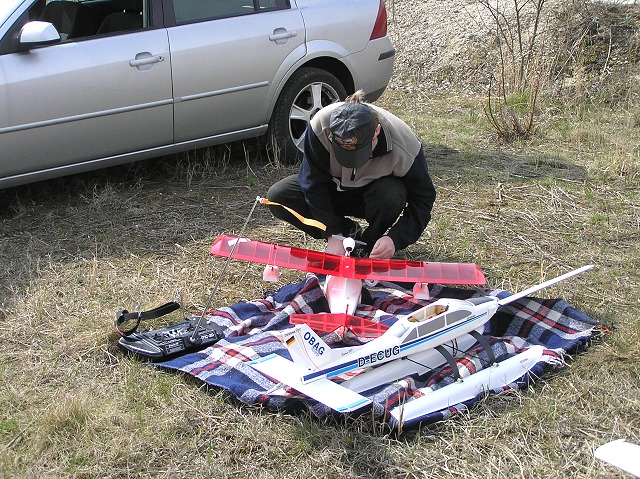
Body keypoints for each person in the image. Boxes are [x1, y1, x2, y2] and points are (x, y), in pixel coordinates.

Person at [266, 91, 436, 260]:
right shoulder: (320, 126)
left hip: (374, 198)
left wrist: (395, 239)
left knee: (392, 193)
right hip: (333, 191)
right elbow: (313, 184)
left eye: (360, 153)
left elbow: (423, 199)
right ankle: (349, 233)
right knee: (278, 196)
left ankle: (370, 243)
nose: (353, 162)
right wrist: (333, 232)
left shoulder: (405, 145)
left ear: (376, 131)